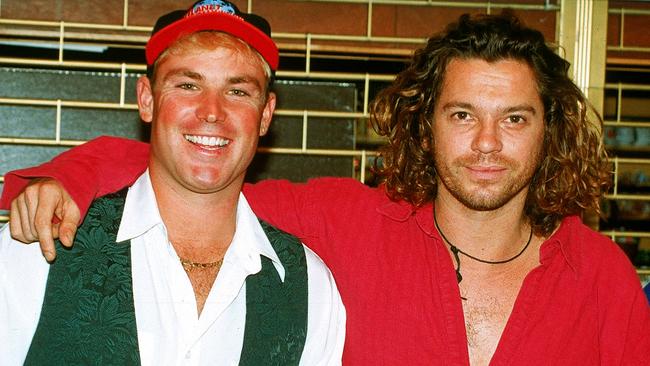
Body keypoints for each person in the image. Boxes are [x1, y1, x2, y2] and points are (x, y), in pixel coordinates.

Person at [3, 11, 649, 365]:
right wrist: (67, 176)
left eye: (513, 118)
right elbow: (198, 170)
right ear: (424, 125)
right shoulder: (351, 223)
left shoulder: (603, 280)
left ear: (549, 130)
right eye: (461, 115)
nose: (485, 143)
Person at [0, 1, 346, 365]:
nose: (212, 111)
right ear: (147, 100)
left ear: (266, 115)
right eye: (187, 84)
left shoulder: (310, 289)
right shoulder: (38, 251)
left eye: (238, 91)